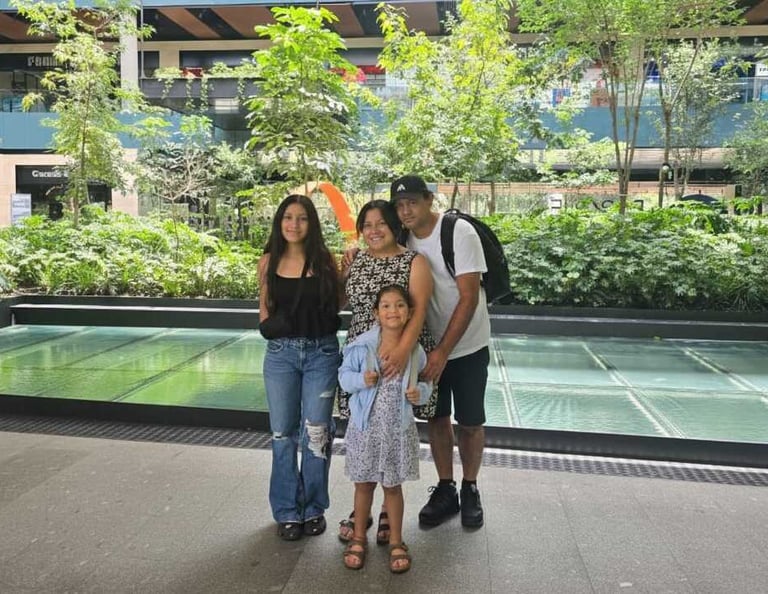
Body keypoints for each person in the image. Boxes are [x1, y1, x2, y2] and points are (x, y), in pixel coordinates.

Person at [390, 174, 490, 528]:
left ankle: (470, 487)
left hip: (467, 345)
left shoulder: (458, 232)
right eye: (399, 205)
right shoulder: (401, 237)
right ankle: (446, 487)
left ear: (429, 200)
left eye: (412, 202)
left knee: (471, 421)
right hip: (426, 347)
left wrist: (443, 351)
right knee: (436, 416)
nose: (406, 211)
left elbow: (469, 297)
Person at [336, 199, 435, 544]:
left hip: (400, 351)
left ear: (395, 225)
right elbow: (340, 302)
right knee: (365, 428)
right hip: (363, 353)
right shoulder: (357, 259)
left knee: (391, 427)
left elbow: (419, 310)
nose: (374, 230)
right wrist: (343, 269)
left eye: (381, 223)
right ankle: (361, 507)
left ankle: (385, 511)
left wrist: (402, 350)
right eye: (367, 225)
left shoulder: (414, 261)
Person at [258, 194, 342, 541]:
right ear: (280, 222)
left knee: (316, 432)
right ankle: (287, 511)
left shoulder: (324, 260)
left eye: (302, 218)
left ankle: (313, 508)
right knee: (282, 433)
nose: (294, 224)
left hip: (321, 352)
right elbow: (265, 305)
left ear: (312, 223)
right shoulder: (268, 260)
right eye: (288, 217)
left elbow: (338, 302)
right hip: (281, 354)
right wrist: (268, 326)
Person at [338, 284, 432, 573]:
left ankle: (396, 540)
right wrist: (360, 380)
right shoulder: (362, 346)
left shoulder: (415, 351)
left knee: (393, 487)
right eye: (386, 306)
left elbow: (426, 382)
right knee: (363, 484)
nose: (393, 311)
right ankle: (358, 537)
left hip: (396, 432)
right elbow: (343, 377)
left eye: (400, 305)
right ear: (376, 313)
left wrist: (420, 394)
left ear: (410, 312)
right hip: (365, 431)